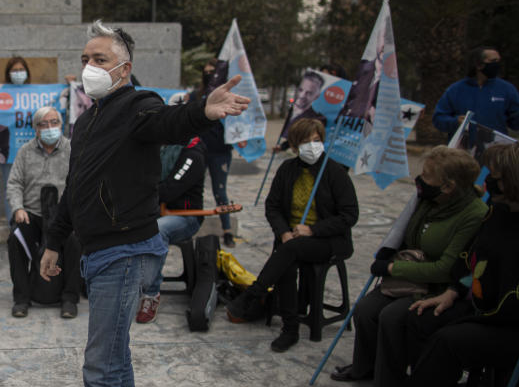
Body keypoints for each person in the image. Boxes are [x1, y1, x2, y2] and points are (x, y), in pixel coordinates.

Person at [39, 20, 249, 387]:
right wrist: (54, 241)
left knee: (100, 368)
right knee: (116, 360)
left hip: (126, 252)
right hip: (95, 252)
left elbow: (169, 123)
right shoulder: (86, 121)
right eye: (85, 58)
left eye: (100, 59)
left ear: (125, 69)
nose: (89, 67)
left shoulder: (139, 106)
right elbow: (75, 188)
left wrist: (202, 111)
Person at [355, 143, 519, 387]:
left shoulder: (482, 213)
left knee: (447, 339)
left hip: (507, 320)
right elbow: (469, 259)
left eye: (496, 177)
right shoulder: (498, 213)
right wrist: (454, 291)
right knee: (420, 318)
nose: (488, 183)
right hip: (478, 304)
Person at [330, 146, 487, 387]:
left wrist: (393, 267)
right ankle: (365, 366)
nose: (419, 180)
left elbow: (445, 268)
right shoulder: (428, 201)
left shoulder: (473, 214)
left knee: (392, 317)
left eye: (426, 175)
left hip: (437, 286)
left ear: (448, 186)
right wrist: (389, 253)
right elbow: (406, 234)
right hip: (409, 275)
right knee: (365, 310)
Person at [225, 119, 359, 351]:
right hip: (292, 240)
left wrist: (313, 229)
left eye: (317, 141)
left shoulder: (334, 171)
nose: (313, 146)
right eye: (306, 142)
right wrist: (284, 232)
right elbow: (273, 206)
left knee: (288, 251)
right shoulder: (288, 169)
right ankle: (290, 328)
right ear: (295, 146)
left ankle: (254, 294)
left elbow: (349, 215)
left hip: (328, 241)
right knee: (288, 256)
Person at [6, 106, 80, 319]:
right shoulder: (25, 151)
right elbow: (14, 183)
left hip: (63, 216)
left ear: (61, 124)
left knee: (75, 240)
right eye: (44, 124)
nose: (50, 128)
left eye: (54, 122)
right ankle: (21, 298)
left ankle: (69, 298)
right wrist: (18, 208)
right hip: (32, 214)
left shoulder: (72, 149)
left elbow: (81, 183)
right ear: (36, 129)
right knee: (15, 239)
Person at [135, 135, 208, 324]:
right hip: (157, 210)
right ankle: (129, 284)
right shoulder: (163, 149)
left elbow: (169, 190)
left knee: (158, 230)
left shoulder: (193, 155)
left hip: (185, 216)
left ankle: (150, 294)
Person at [432, 46, 519, 138]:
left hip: (496, 149)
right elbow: (438, 119)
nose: (497, 64)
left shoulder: (507, 89)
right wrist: (455, 121)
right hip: (463, 148)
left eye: (498, 61)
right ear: (478, 65)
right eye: (493, 61)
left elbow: (515, 122)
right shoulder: (456, 90)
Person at [198, 58, 238, 247]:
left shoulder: (228, 96)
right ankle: (192, 223)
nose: (208, 75)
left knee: (220, 191)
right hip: (199, 151)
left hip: (220, 151)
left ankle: (227, 230)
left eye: (211, 72)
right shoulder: (198, 96)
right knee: (194, 188)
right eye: (205, 72)